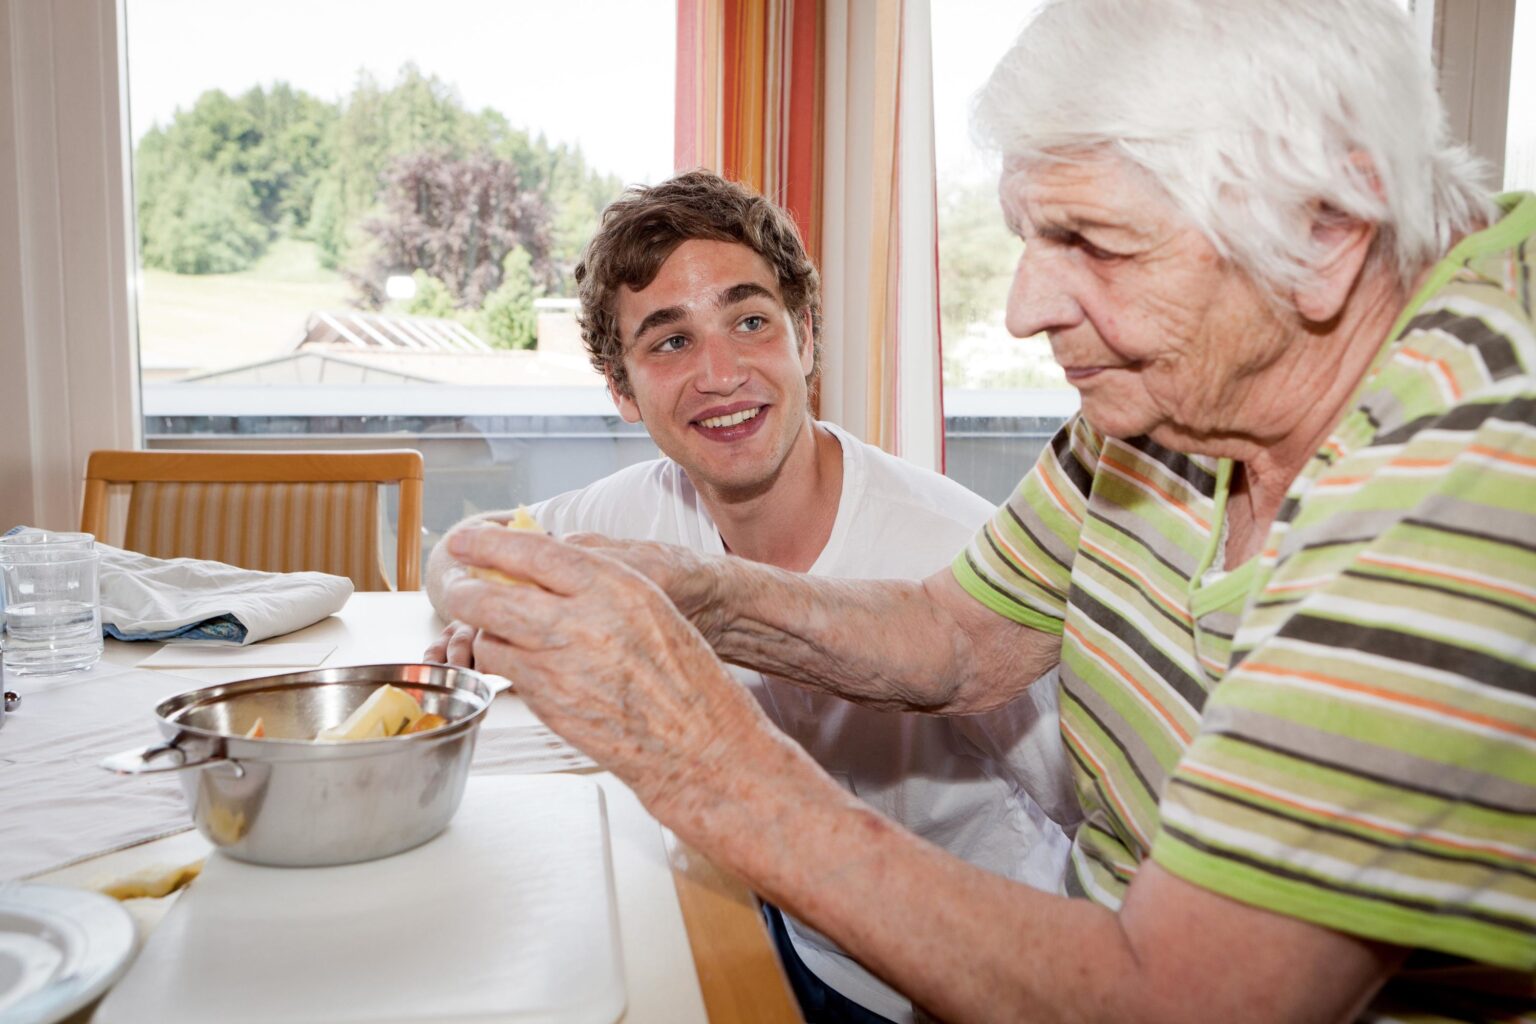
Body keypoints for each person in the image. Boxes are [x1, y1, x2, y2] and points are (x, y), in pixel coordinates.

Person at [439, 0, 1536, 1018]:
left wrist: (693, 753)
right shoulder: (1178, 392)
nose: (1021, 310)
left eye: (1092, 243)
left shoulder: (1467, 480)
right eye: (1029, 238)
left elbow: (1180, 1001)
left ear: (1329, 229)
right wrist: (705, 597)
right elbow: (956, 637)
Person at [424, 170, 1080, 1022]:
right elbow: (456, 555)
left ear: (805, 337)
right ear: (623, 390)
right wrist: (489, 601)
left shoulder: (951, 552)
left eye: (750, 321)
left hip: (950, 984)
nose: (721, 373)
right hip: (782, 925)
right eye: (670, 342)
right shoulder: (646, 509)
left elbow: (1092, 823)